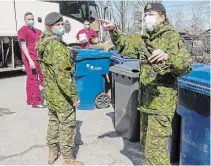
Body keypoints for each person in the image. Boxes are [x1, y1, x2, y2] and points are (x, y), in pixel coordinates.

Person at [99, 2, 192, 165]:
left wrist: (168, 57)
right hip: (145, 103)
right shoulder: (145, 38)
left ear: (162, 17)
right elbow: (124, 46)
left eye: (151, 15)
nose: (147, 18)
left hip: (161, 105)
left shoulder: (171, 37)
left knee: (156, 153)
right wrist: (114, 31)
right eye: (146, 16)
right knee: (146, 146)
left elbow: (186, 66)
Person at [36, 12, 84, 166]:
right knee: (67, 125)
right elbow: (64, 76)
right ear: (49, 27)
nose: (61, 27)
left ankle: (52, 152)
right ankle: (68, 159)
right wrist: (74, 96)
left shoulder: (43, 41)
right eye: (58, 25)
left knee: (53, 121)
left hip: (50, 93)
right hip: (61, 95)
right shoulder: (57, 46)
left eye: (62, 24)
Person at [18, 12, 46, 108]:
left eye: (32, 19)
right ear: (25, 20)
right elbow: (23, 45)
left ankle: (30, 99)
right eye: (29, 19)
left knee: (31, 78)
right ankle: (36, 102)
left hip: (37, 57)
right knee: (34, 78)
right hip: (29, 58)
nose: (31, 21)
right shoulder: (22, 31)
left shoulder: (36, 31)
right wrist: (29, 60)